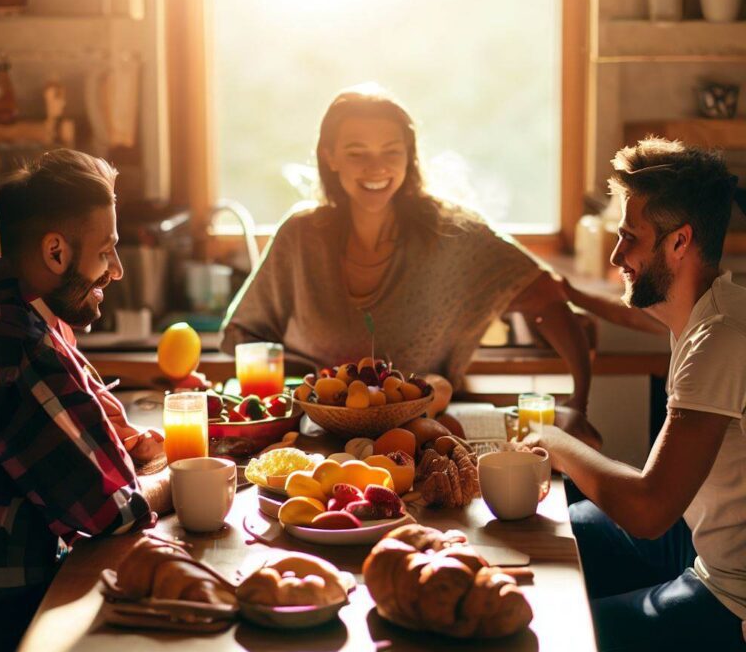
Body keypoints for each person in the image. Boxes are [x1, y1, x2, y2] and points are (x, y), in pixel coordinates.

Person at [221, 84, 597, 436]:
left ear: (409, 155)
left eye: (391, 151)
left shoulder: (452, 234)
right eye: (356, 153)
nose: (376, 167)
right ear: (329, 156)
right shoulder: (300, 235)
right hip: (312, 438)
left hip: (420, 440)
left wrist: (579, 403)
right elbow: (244, 336)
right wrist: (311, 386)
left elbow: (546, 296)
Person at [521, 137, 746, 652]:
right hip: (700, 543)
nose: (618, 255)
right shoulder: (715, 304)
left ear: (679, 242)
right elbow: (656, 322)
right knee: (559, 530)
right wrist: (572, 294)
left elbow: (647, 510)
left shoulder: (719, 342)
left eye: (629, 238)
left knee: (550, 644)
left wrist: (557, 441)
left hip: (732, 600)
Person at [0, 149, 171, 652]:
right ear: (56, 251)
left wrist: (126, 448)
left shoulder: (9, 304)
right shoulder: (23, 345)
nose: (117, 270)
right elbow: (112, 513)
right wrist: (181, 482)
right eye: (108, 250)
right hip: (14, 608)